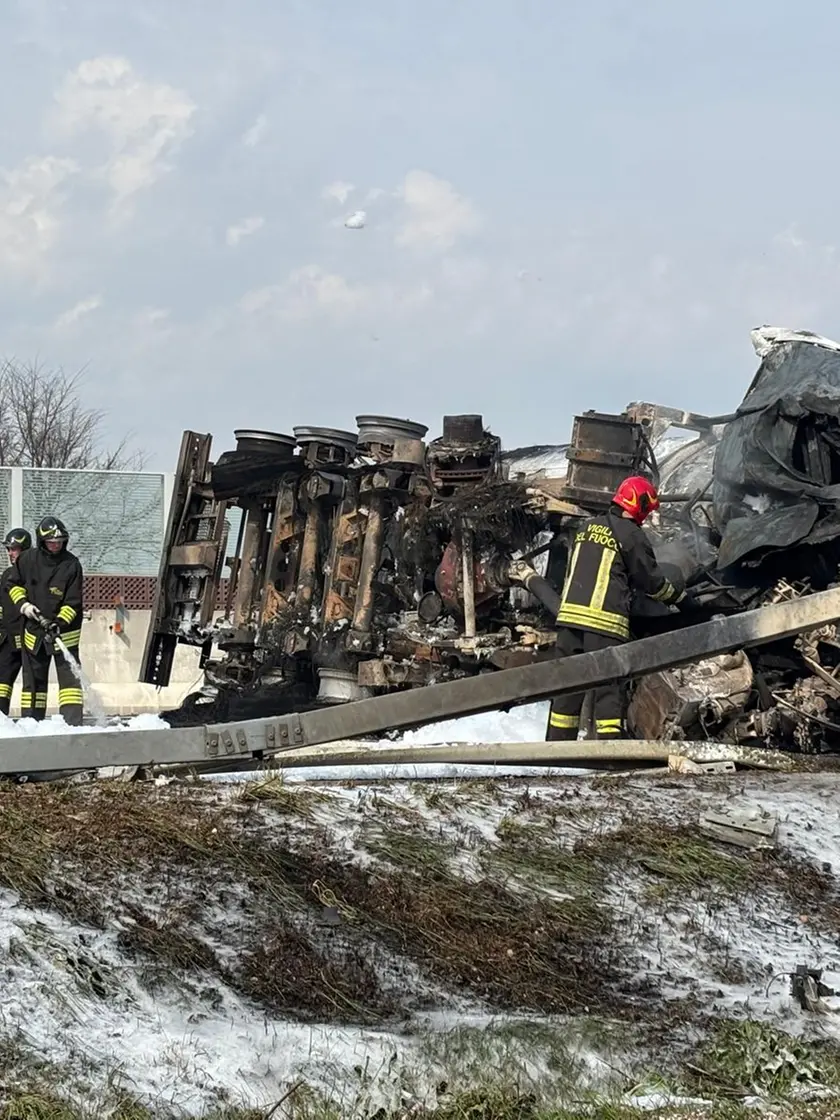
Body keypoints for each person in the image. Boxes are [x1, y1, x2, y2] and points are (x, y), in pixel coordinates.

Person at [546, 475, 685, 742]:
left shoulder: (587, 528)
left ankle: (555, 753)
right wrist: (678, 597)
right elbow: (651, 581)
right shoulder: (631, 534)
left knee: (566, 691)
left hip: (568, 622)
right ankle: (608, 757)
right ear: (639, 504)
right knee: (608, 691)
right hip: (604, 623)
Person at [8, 516, 84, 725]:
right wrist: (24, 605)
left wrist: (59, 622)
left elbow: (73, 602)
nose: (56, 545)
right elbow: (13, 585)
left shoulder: (71, 565)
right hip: (34, 630)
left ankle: (72, 724)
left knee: (70, 684)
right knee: (33, 682)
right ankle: (31, 722)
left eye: (59, 542)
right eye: (52, 542)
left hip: (63, 633)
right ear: (42, 542)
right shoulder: (27, 560)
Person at [0, 529, 32, 716]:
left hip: (29, 638)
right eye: (9, 549)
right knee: (2, 681)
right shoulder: (7, 575)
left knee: (33, 682)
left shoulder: (36, 574)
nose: (10, 553)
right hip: (8, 640)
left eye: (15, 549)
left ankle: (32, 721)